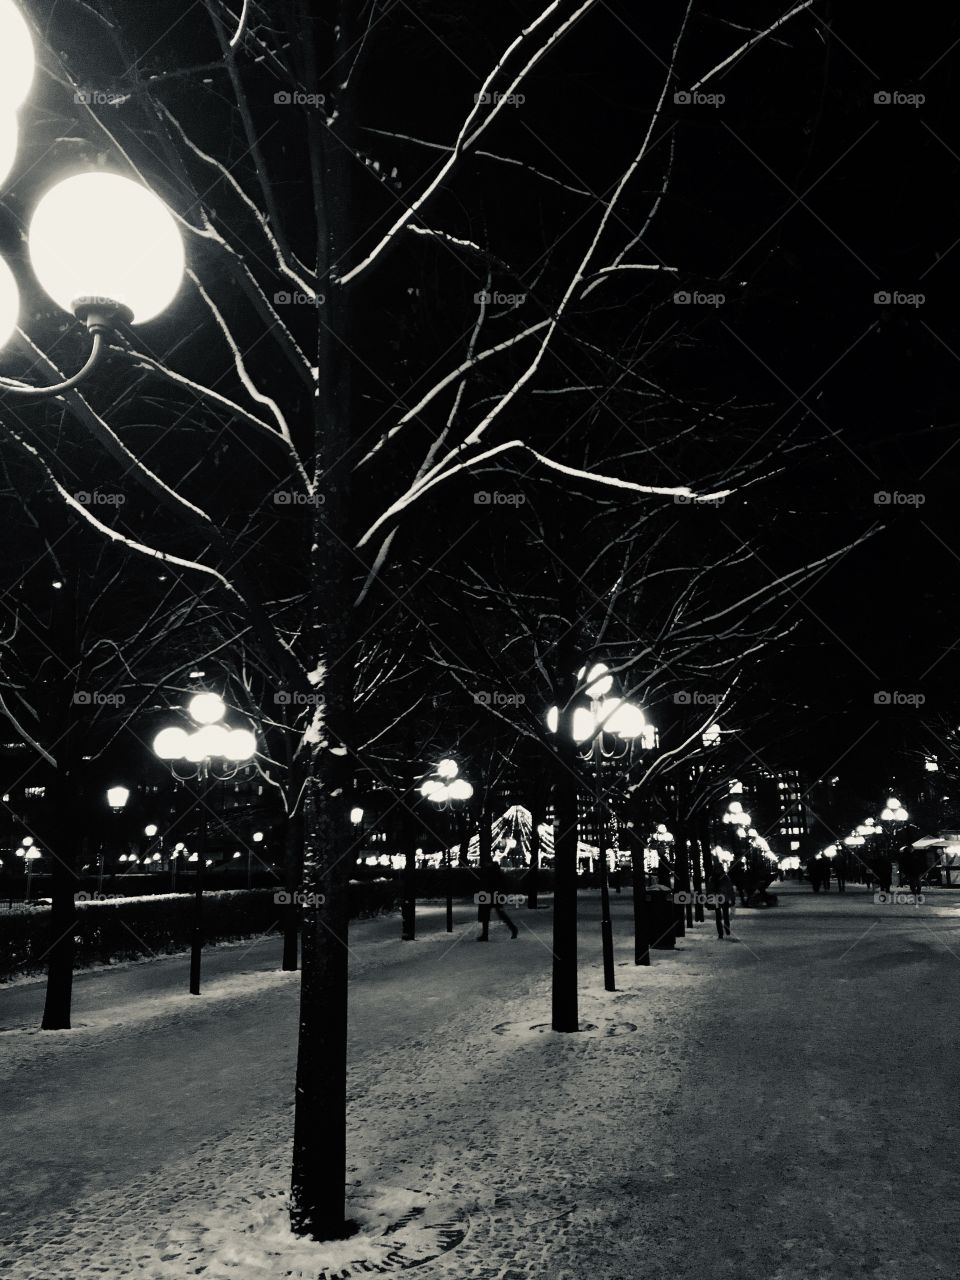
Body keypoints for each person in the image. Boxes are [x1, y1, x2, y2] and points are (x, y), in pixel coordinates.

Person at [477, 861, 519, 940]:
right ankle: (513, 929)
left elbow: (490, 885)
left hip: (491, 896)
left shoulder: (490, 872)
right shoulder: (497, 873)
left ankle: (485, 935)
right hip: (496, 897)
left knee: (487, 915)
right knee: (500, 914)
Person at [706, 860, 735, 939]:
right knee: (718, 917)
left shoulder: (725, 878)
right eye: (717, 869)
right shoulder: (712, 878)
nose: (718, 870)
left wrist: (732, 899)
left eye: (719, 869)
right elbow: (709, 890)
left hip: (724, 899)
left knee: (725, 916)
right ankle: (720, 933)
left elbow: (730, 889)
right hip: (717, 899)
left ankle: (727, 928)